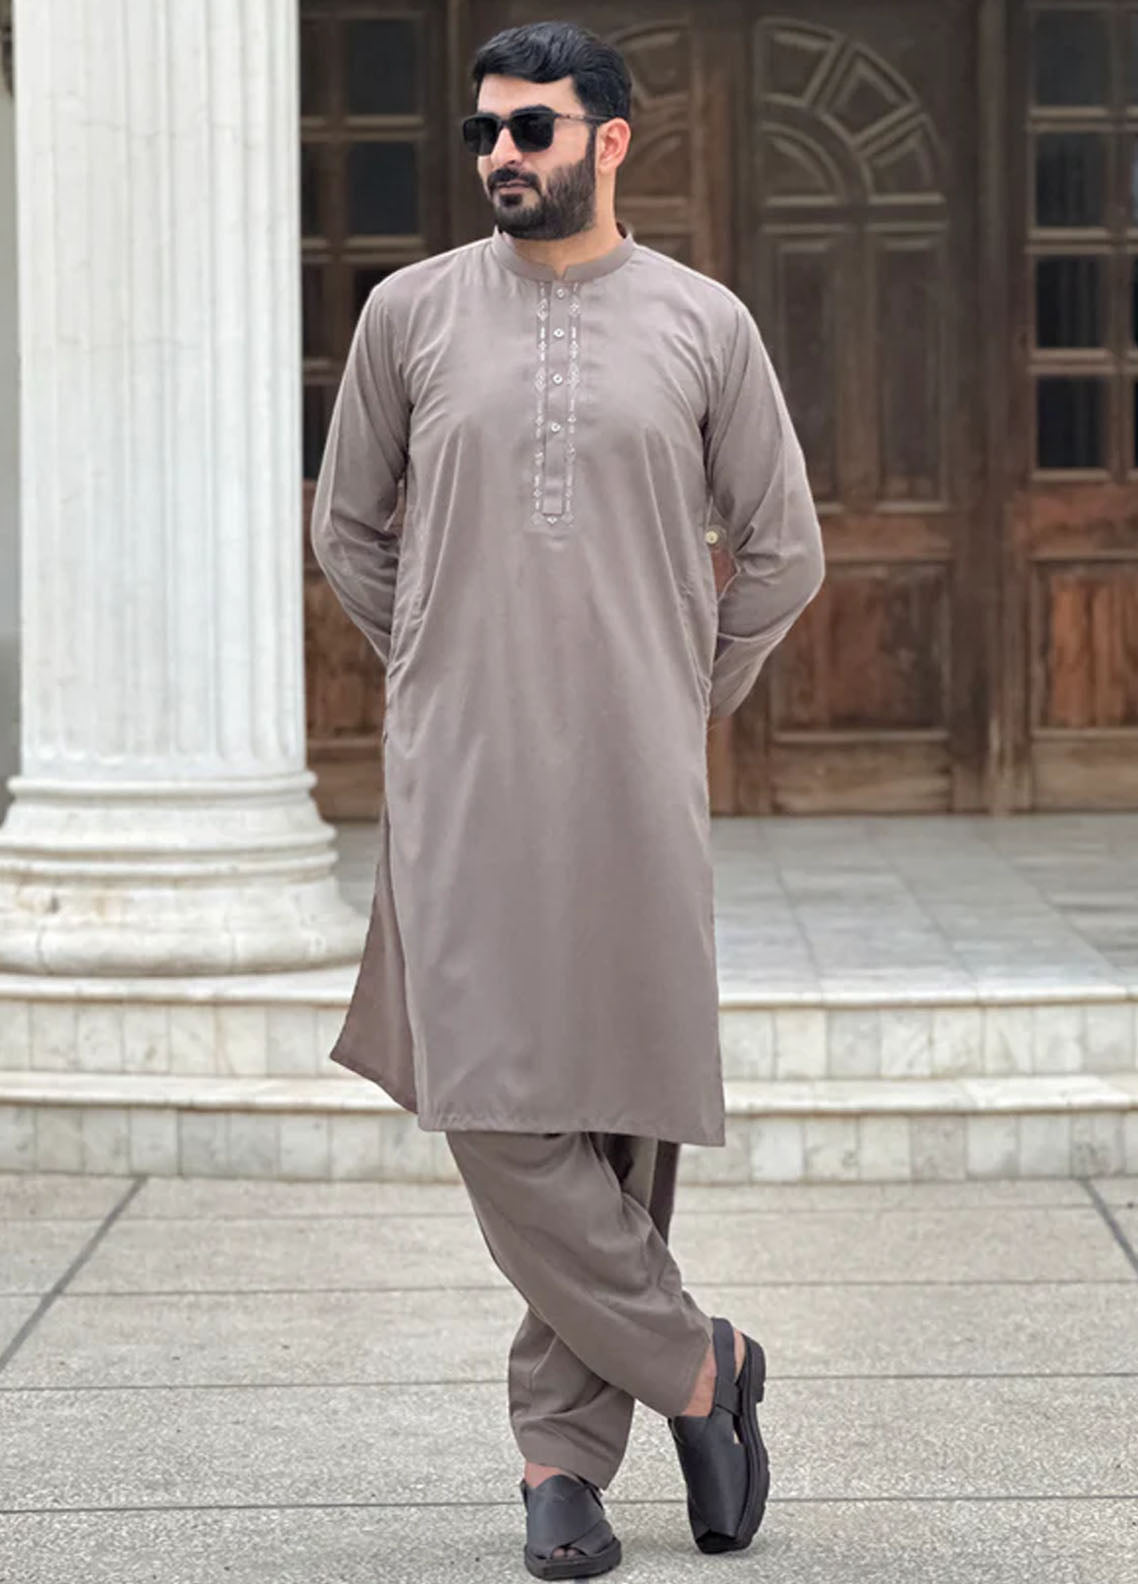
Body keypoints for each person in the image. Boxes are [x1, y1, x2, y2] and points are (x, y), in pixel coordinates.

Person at [311, 19, 824, 1579]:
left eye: (528, 128)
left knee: (615, 1107)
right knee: (488, 1096)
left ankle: (560, 1471)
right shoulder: (407, 315)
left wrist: (679, 688)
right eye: (483, 131)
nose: (498, 154)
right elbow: (348, 527)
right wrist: (440, 664)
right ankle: (698, 1365)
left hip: (629, 774)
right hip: (460, 773)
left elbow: (782, 548)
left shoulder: (701, 324)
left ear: (607, 140)